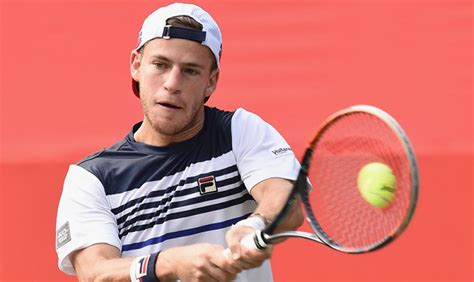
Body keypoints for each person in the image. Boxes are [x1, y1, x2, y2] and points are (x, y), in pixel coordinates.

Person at [55, 3, 303, 281]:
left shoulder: (240, 131)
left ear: (211, 81)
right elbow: (95, 273)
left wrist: (255, 225)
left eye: (191, 71)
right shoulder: (91, 177)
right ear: (136, 66)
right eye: (160, 65)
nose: (172, 83)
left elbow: (287, 200)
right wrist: (166, 264)